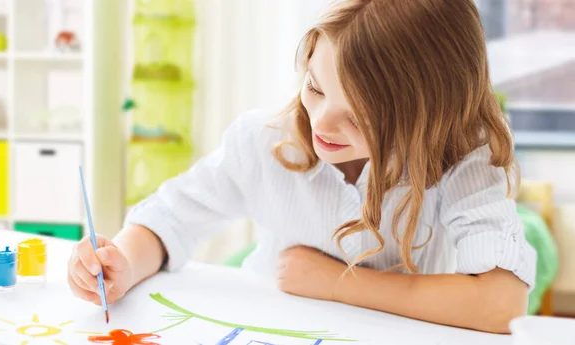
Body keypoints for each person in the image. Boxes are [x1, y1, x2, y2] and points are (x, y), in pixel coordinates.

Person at [68, 0, 536, 334]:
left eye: (358, 117)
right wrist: (122, 263)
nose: (322, 124)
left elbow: (501, 303)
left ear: (426, 120)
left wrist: (336, 282)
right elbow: (168, 220)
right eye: (315, 88)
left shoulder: (460, 156)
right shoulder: (263, 141)